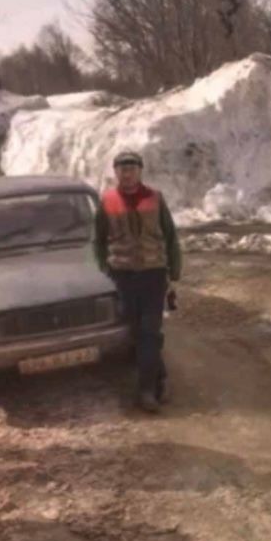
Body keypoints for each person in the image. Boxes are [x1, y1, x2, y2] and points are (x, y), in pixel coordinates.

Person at [95, 151, 182, 413]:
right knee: (139, 335)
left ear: (140, 171)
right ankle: (161, 377)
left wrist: (174, 272)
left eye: (132, 167)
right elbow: (98, 240)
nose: (127, 172)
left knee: (149, 331)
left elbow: (170, 236)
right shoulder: (107, 201)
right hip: (123, 277)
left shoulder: (155, 198)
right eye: (122, 168)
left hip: (153, 275)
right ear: (116, 172)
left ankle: (146, 392)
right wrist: (104, 268)